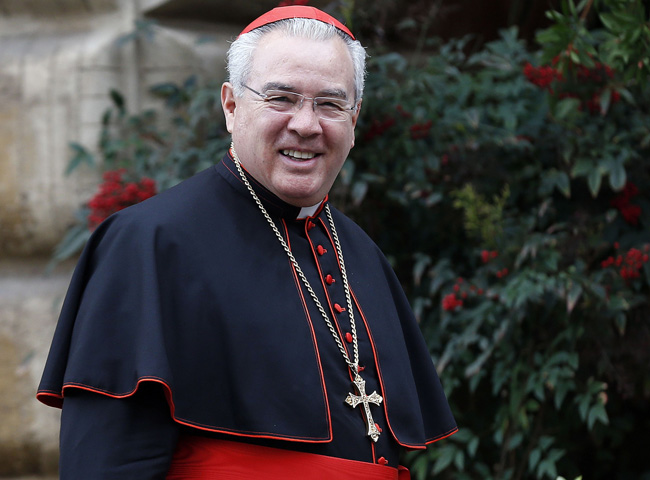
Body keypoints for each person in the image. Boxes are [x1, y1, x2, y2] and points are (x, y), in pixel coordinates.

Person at [36, 5, 457, 479]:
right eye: (281, 98)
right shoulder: (149, 243)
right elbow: (108, 465)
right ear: (232, 106)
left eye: (331, 104)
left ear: (354, 122)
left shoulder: (362, 255)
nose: (306, 125)